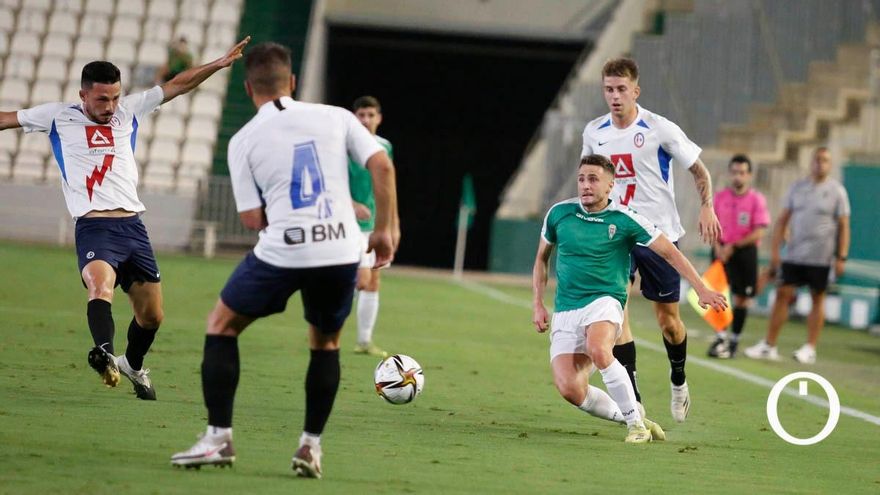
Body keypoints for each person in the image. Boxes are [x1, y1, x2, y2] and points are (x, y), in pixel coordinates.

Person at [170, 43, 398, 478]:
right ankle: (310, 447)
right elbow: (382, 167)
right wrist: (387, 231)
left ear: (247, 88)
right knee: (326, 343)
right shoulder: (337, 117)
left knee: (221, 324)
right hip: (340, 247)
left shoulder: (243, 140)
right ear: (292, 82)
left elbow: (252, 217)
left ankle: (218, 437)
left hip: (285, 248)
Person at [0, 37, 251, 400]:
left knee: (153, 316)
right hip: (94, 226)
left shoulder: (129, 111)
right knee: (99, 286)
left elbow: (177, 85)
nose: (111, 106)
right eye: (103, 99)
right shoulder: (56, 116)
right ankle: (104, 352)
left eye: (116, 97)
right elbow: (7, 118)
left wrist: (218, 64)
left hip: (133, 227)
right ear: (83, 95)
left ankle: (132, 363)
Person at [532, 154, 726, 443]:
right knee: (570, 388)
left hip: (605, 301)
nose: (585, 185)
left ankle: (636, 426)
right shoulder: (559, 214)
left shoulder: (626, 220)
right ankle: (629, 414)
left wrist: (701, 288)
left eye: (594, 179)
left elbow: (670, 252)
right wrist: (538, 303)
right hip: (567, 308)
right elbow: (541, 260)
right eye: (582, 178)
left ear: (610, 186)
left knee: (600, 349)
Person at [580, 57, 721, 422]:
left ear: (635, 91)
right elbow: (589, 180)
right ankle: (635, 399)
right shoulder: (594, 132)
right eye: (608, 89)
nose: (614, 96)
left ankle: (679, 381)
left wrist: (707, 207)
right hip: (616, 235)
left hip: (657, 234)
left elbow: (698, 169)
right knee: (617, 314)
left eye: (621, 89)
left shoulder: (659, 128)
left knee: (668, 323)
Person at [744, 147, 850, 364]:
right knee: (782, 293)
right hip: (794, 254)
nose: (820, 163)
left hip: (821, 257)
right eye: (817, 159)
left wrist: (841, 256)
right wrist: (775, 251)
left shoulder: (837, 191)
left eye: (825, 160)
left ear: (830, 165)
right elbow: (782, 220)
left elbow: (844, 226)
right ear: (811, 162)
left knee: (817, 297)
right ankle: (769, 345)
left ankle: (810, 348)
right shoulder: (797, 188)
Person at [348, 95, 398, 357]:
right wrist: (351, 203)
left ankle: (365, 341)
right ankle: (327, 319)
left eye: (371, 115)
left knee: (373, 280)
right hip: (348, 223)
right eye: (361, 115)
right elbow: (330, 178)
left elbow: (389, 186)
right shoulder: (344, 145)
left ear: (379, 118)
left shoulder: (384, 146)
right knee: (362, 279)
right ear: (354, 117)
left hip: (375, 224)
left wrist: (393, 224)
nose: (366, 120)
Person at [707, 154, 770, 358]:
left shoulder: (756, 200)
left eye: (742, 173)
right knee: (717, 295)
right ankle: (720, 337)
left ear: (749, 175)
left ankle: (734, 340)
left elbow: (760, 230)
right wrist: (717, 245)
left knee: (742, 297)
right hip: (721, 249)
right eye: (734, 172)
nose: (738, 177)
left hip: (744, 251)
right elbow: (711, 223)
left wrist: (734, 246)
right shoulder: (719, 198)